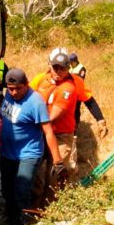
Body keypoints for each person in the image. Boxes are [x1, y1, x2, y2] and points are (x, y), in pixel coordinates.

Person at [0, 68, 62, 225]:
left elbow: (48, 131)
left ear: (26, 84)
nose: (14, 92)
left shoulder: (35, 102)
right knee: (7, 189)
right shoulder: (9, 95)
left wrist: (58, 161)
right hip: (8, 151)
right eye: (10, 89)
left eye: (18, 88)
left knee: (22, 189)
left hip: (29, 153)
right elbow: (8, 113)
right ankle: (10, 220)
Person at [29, 51, 77, 208]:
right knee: (33, 170)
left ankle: (50, 210)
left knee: (55, 175)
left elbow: (52, 117)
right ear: (50, 66)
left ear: (68, 69)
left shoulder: (68, 88)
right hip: (41, 132)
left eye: (62, 68)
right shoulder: (42, 80)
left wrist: (28, 121)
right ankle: (32, 208)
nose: (58, 71)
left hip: (60, 136)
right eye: (55, 68)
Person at [69, 52, 87, 124]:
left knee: (76, 108)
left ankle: (76, 123)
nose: (71, 63)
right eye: (70, 62)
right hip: (70, 90)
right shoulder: (70, 67)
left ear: (75, 61)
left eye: (72, 62)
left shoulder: (82, 68)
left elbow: (81, 79)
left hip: (78, 91)